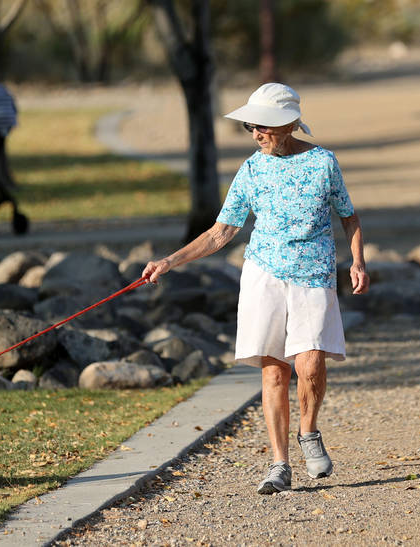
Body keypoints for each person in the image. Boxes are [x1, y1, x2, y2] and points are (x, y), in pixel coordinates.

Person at [141, 82, 370, 494]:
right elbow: (220, 232)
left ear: (290, 125)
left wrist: (357, 260)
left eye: (262, 125)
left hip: (313, 273)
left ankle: (309, 432)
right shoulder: (252, 168)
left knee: (311, 363)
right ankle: (280, 464)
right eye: (251, 126)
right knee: (274, 371)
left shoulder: (323, 163)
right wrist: (168, 262)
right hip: (264, 273)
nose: (255, 133)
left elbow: (349, 217)